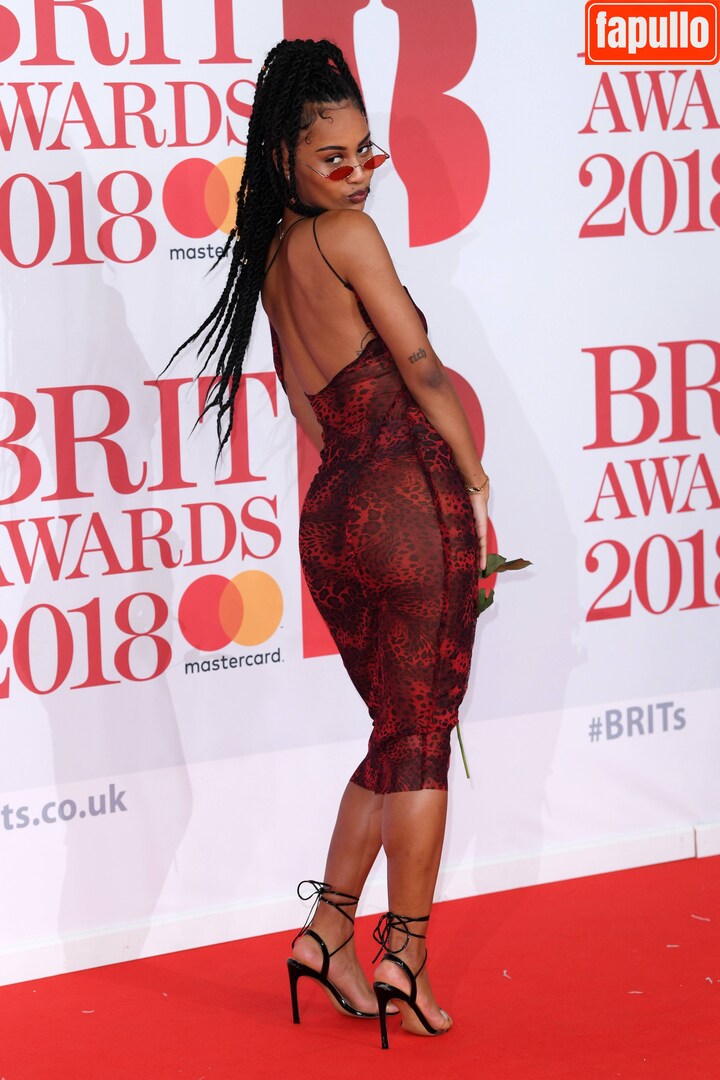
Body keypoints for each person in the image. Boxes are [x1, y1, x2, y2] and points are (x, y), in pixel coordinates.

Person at [176, 38, 489, 1050]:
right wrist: (473, 481)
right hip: (407, 503)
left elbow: (311, 418)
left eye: (365, 154)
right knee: (423, 737)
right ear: (284, 159)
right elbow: (421, 364)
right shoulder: (348, 236)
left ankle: (327, 932)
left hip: (335, 516)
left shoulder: (269, 261)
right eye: (333, 158)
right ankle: (409, 954)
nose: (356, 175)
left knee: (395, 732)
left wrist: (371, 492)